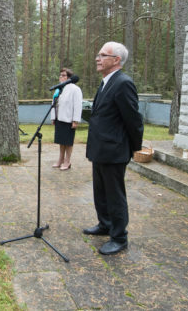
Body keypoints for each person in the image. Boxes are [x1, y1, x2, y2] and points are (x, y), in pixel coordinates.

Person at [84, 41, 144, 256]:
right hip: (101, 149)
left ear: (116, 60)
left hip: (114, 151)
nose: (97, 58)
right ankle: (105, 224)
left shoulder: (123, 83)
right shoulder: (106, 82)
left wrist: (134, 148)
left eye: (103, 55)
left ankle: (119, 237)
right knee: (100, 192)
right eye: (98, 54)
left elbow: (133, 120)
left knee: (115, 195)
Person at [50, 68, 83, 171]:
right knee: (61, 141)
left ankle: (67, 161)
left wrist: (75, 120)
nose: (61, 77)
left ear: (69, 77)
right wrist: (53, 117)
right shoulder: (59, 89)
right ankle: (60, 159)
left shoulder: (74, 89)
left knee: (68, 142)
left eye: (63, 75)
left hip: (69, 119)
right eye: (60, 75)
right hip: (59, 118)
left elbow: (78, 105)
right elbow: (54, 104)